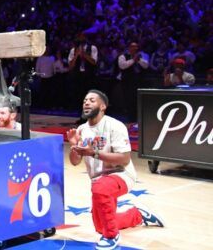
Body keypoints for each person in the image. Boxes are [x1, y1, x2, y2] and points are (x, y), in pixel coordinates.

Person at [66, 90, 164, 250]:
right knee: (100, 226)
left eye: (92, 100)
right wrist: (74, 146)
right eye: (85, 100)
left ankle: (112, 236)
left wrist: (94, 153)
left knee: (101, 193)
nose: (86, 103)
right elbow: (75, 162)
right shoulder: (82, 130)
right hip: (98, 181)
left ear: (103, 106)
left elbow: (124, 159)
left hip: (121, 175)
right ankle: (138, 215)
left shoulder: (115, 126)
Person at [117, 42, 149, 122]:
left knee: (137, 100)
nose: (135, 48)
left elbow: (146, 65)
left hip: (138, 81)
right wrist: (133, 60)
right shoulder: (123, 56)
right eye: (133, 47)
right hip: (127, 81)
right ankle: (130, 119)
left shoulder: (141, 56)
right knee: (128, 100)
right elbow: (122, 66)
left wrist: (138, 60)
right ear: (129, 48)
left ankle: (137, 118)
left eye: (136, 47)